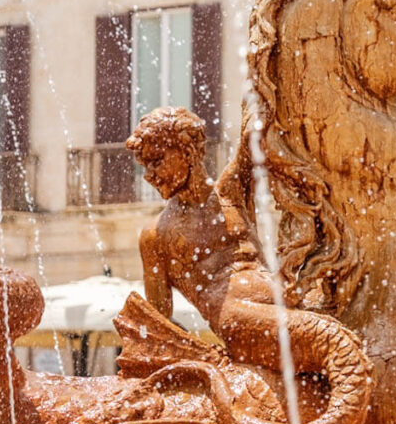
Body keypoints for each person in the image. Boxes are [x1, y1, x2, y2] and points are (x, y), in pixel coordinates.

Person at [125, 107, 368, 382]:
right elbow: (158, 324)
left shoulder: (230, 192)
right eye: (145, 166)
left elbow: (254, 134)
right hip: (239, 321)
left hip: (285, 302)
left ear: (187, 150)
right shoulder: (156, 235)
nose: (149, 175)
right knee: (335, 342)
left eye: (156, 161)